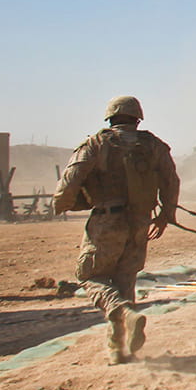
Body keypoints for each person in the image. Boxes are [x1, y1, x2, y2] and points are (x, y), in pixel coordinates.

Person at [52, 95, 181, 364]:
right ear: (138, 118)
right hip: (140, 222)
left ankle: (122, 314)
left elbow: (70, 181)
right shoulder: (154, 146)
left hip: (107, 221)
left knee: (90, 276)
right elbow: (171, 180)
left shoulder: (98, 144)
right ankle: (118, 349)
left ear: (110, 117)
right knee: (125, 280)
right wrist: (165, 215)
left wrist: (62, 205)